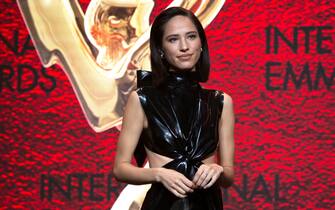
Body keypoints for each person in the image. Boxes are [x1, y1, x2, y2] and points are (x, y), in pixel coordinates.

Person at [113, 7, 235, 210]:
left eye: (191, 36)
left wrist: (218, 170)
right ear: (160, 49)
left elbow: (228, 176)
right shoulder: (142, 99)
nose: (185, 46)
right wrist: (158, 174)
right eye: (173, 39)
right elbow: (120, 168)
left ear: (201, 44)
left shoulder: (221, 101)